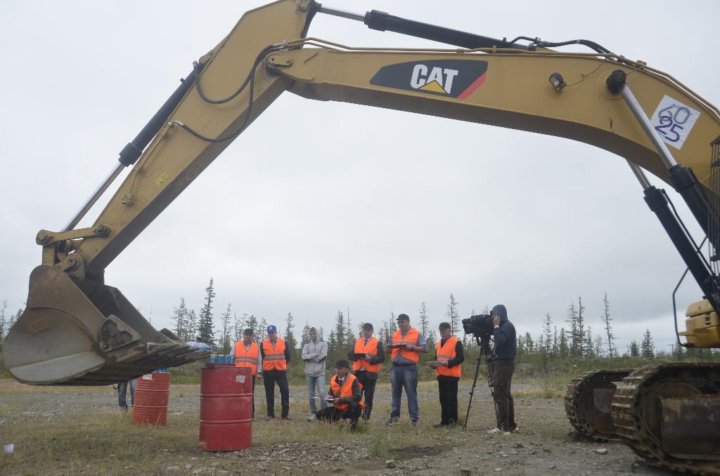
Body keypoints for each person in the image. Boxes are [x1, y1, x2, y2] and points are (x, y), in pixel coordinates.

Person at [386, 313, 427, 426]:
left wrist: (413, 348)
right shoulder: (394, 335)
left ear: (408, 321)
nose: (400, 324)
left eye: (402, 322)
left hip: (409, 368)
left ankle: (414, 419)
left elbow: (424, 348)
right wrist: (389, 347)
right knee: (395, 393)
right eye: (398, 322)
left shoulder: (417, 334)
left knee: (411, 393)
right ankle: (394, 417)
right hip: (395, 367)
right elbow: (389, 348)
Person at [488, 304, 517, 434]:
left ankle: (504, 426)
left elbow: (499, 341)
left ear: (500, 315)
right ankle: (508, 425)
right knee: (505, 394)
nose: (493, 318)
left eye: (495, 315)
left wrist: (496, 326)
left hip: (505, 364)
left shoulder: (507, 327)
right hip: (502, 362)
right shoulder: (504, 327)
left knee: (500, 393)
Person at [429, 322, 464, 427]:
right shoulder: (439, 343)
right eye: (440, 330)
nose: (442, 332)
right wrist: (433, 364)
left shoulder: (456, 342)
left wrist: (449, 363)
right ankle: (444, 421)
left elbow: (460, 358)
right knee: (443, 399)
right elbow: (437, 358)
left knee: (451, 399)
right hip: (441, 375)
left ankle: (452, 421)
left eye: (444, 330)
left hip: (452, 375)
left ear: (449, 330)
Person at [348, 322, 384, 420]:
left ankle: (366, 417)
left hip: (370, 374)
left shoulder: (377, 342)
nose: (366, 332)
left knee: (368, 397)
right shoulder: (357, 341)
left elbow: (382, 358)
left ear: (372, 331)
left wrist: (371, 359)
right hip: (358, 373)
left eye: (368, 330)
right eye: (364, 330)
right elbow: (350, 354)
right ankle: (355, 415)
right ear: (362, 331)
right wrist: (355, 356)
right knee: (356, 396)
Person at [315, 360, 363, 428]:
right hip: (339, 409)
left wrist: (341, 400)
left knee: (354, 405)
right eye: (336, 368)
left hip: (350, 408)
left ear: (346, 369)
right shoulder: (333, 379)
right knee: (318, 414)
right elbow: (331, 394)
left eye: (340, 369)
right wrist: (329, 398)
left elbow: (358, 397)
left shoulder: (353, 379)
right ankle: (340, 422)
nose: (337, 370)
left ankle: (353, 422)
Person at [260, 324, 291, 420]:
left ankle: (285, 415)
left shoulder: (283, 342)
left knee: (285, 390)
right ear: (267, 334)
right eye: (269, 333)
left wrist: (281, 364)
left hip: (280, 370)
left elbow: (288, 357)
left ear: (276, 333)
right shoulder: (263, 344)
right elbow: (261, 357)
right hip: (268, 371)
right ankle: (270, 414)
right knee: (269, 392)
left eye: (272, 333)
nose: (271, 335)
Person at [234, 328, 262, 418]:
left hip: (251, 375)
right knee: (238, 393)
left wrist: (259, 372)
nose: (248, 337)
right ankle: (239, 413)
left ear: (252, 336)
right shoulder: (236, 345)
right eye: (246, 335)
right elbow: (230, 358)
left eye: (250, 335)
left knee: (250, 394)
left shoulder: (256, 347)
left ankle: (250, 414)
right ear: (243, 335)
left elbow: (259, 361)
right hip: (239, 374)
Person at [301, 327, 328, 420]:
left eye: (314, 333)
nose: (312, 335)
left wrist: (312, 357)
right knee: (310, 395)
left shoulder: (324, 344)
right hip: (309, 373)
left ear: (317, 334)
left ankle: (324, 413)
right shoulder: (306, 345)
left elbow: (323, 356)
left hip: (320, 373)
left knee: (322, 393)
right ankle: (314, 413)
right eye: (311, 334)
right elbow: (304, 357)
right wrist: (315, 355)